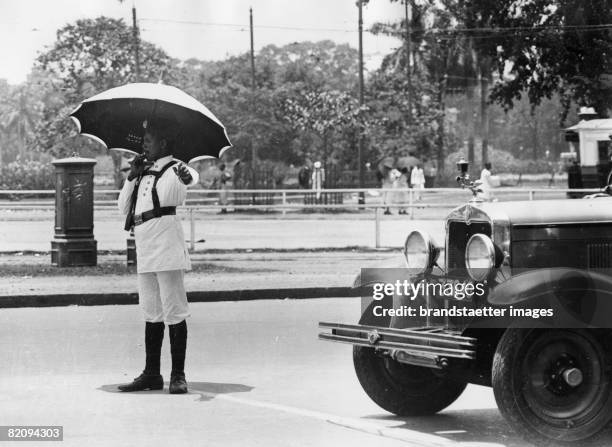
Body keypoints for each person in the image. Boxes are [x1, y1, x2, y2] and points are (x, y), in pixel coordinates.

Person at [117, 119, 200, 394]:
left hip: (167, 246)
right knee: (151, 311)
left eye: (149, 139)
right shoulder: (143, 171)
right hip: (146, 246)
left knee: (174, 309)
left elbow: (190, 176)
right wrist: (132, 176)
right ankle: (151, 373)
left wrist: (187, 177)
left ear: (163, 143)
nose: (144, 144)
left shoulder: (174, 167)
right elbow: (123, 208)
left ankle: (178, 375)